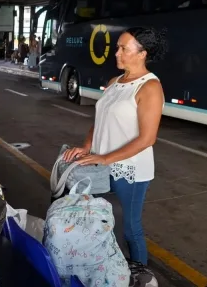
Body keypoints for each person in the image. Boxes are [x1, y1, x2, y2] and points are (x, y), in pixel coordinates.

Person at [62, 27, 168, 266]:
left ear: (142, 53)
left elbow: (147, 139)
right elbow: (100, 121)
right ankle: (111, 269)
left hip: (128, 170)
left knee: (130, 228)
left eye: (123, 48)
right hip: (102, 165)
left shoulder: (150, 87)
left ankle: (141, 275)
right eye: (117, 47)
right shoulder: (114, 81)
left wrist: (105, 158)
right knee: (103, 222)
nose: (116, 53)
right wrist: (87, 147)